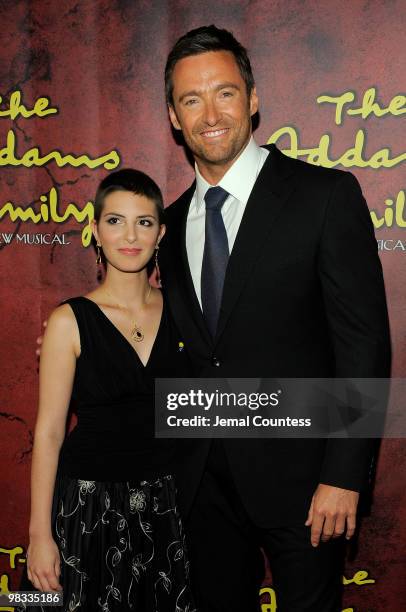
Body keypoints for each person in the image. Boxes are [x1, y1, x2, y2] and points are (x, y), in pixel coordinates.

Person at [159, 25, 391, 611]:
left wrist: (344, 475)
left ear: (253, 98)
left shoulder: (324, 196)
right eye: (191, 99)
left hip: (306, 485)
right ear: (173, 116)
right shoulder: (169, 222)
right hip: (202, 488)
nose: (210, 113)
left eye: (225, 92)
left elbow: (363, 346)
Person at [21, 169, 196, 612]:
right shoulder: (68, 320)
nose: (130, 235)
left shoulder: (186, 313)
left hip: (168, 510)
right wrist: (39, 533)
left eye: (144, 222)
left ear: (161, 235)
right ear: (95, 231)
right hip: (85, 508)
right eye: (115, 221)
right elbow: (49, 434)